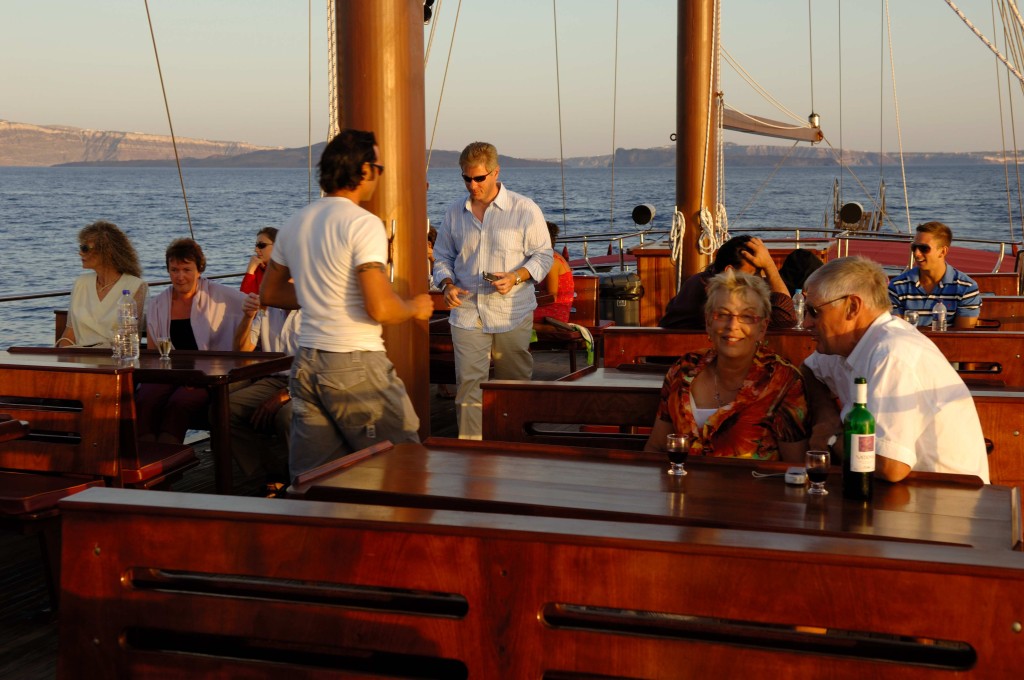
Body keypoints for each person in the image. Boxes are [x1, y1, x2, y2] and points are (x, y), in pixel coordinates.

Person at [260, 129, 433, 478]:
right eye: (379, 169)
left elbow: (270, 294)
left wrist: (320, 296)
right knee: (404, 467)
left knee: (319, 480)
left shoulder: (294, 224)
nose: (378, 177)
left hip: (307, 364)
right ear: (365, 170)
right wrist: (415, 307)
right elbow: (380, 308)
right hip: (354, 363)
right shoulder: (363, 224)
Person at [801, 256, 990, 482]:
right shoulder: (847, 344)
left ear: (852, 307)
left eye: (814, 311)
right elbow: (809, 369)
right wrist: (826, 417)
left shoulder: (892, 354)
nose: (806, 323)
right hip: (904, 489)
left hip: (945, 493)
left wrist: (831, 438)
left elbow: (888, 465)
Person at [432, 141, 553, 439]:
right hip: (467, 312)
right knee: (468, 387)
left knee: (514, 384)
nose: (472, 185)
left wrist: (516, 277)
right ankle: (471, 452)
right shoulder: (454, 213)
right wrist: (446, 284)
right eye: (466, 178)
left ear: (496, 172)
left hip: (512, 311)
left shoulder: (524, 209)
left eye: (479, 178)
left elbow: (543, 255)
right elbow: (442, 257)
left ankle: (514, 446)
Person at [644, 270, 808, 461]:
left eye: (747, 316)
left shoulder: (783, 381)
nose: (732, 325)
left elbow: (795, 466)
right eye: (722, 315)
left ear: (762, 328)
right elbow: (656, 447)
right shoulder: (683, 369)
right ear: (708, 323)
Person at [137, 238, 248, 443]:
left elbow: (254, 306)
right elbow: (154, 354)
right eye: (174, 270)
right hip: (170, 373)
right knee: (144, 398)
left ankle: (169, 451)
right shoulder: (158, 304)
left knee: (179, 403)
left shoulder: (220, 295)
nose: (180, 276)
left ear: (199, 270)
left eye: (186, 269)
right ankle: (149, 453)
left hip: (207, 376)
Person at [229, 292, 300, 490]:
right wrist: (248, 316)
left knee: (287, 416)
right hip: (273, 379)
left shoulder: (314, 307)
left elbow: (321, 364)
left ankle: (303, 481)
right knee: (224, 408)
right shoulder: (268, 306)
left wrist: (285, 394)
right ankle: (268, 475)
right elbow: (241, 353)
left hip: (306, 382)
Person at [659, 235, 796, 329]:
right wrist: (770, 266)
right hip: (684, 357)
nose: (759, 279)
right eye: (753, 275)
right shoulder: (713, 291)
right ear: (729, 271)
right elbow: (785, 318)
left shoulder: (700, 279)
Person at [56, 220, 147, 348]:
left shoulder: (135, 286)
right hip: (78, 356)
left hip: (113, 356)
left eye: (85, 248)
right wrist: (62, 357)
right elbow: (69, 335)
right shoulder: (81, 283)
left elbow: (130, 340)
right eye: (81, 247)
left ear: (106, 252)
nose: (80, 253)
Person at [888, 221, 981, 328]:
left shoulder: (966, 288)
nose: (916, 254)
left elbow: (962, 334)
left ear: (943, 251)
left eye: (924, 248)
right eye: (914, 247)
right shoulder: (897, 286)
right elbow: (896, 331)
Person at [533, 221, 574, 325]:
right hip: (548, 310)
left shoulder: (552, 261)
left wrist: (527, 299)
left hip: (554, 313)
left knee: (516, 319)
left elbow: (551, 297)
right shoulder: (550, 257)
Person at [240, 227, 277, 295]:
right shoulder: (258, 267)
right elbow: (244, 297)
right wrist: (250, 271)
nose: (256, 250)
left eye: (261, 245)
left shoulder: (286, 270)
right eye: (256, 245)